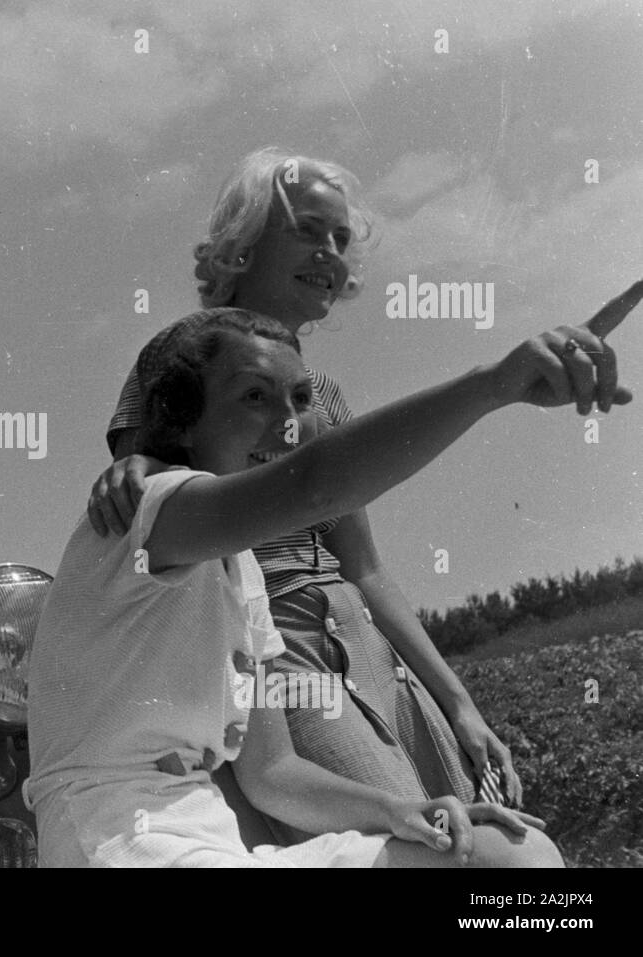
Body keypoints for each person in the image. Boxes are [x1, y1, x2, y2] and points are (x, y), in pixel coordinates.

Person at [25, 306, 625, 866]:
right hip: (115, 838)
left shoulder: (242, 575)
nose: (288, 426)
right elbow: (316, 484)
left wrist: (402, 810)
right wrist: (495, 385)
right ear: (182, 420)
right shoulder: (148, 511)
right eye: (255, 397)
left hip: (211, 839)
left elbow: (274, 773)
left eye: (302, 398)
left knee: (516, 854)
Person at [88, 149, 543, 831]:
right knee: (433, 846)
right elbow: (147, 516)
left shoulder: (325, 397)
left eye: (340, 238)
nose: (330, 253)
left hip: (370, 649)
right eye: (306, 230)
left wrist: (459, 703)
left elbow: (365, 567)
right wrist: (137, 471)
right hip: (276, 648)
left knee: (483, 835)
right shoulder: (181, 359)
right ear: (242, 244)